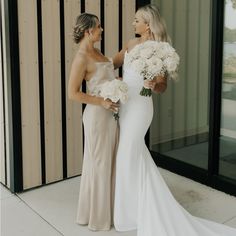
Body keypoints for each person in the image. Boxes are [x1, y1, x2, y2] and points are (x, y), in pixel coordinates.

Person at [112, 4, 236, 236]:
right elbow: (113, 63)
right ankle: (132, 208)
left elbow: (162, 86)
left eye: (137, 20)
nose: (133, 23)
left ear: (148, 24)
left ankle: (132, 213)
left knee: (127, 154)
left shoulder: (160, 49)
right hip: (125, 107)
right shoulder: (129, 44)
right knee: (133, 155)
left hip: (140, 108)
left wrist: (152, 84)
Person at [68, 13, 119, 231]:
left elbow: (107, 74)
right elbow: (73, 93)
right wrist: (102, 101)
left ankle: (112, 211)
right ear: (89, 31)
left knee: (109, 162)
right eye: (99, 27)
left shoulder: (97, 51)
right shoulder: (81, 57)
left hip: (111, 116)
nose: (102, 30)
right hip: (97, 116)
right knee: (99, 165)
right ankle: (98, 219)